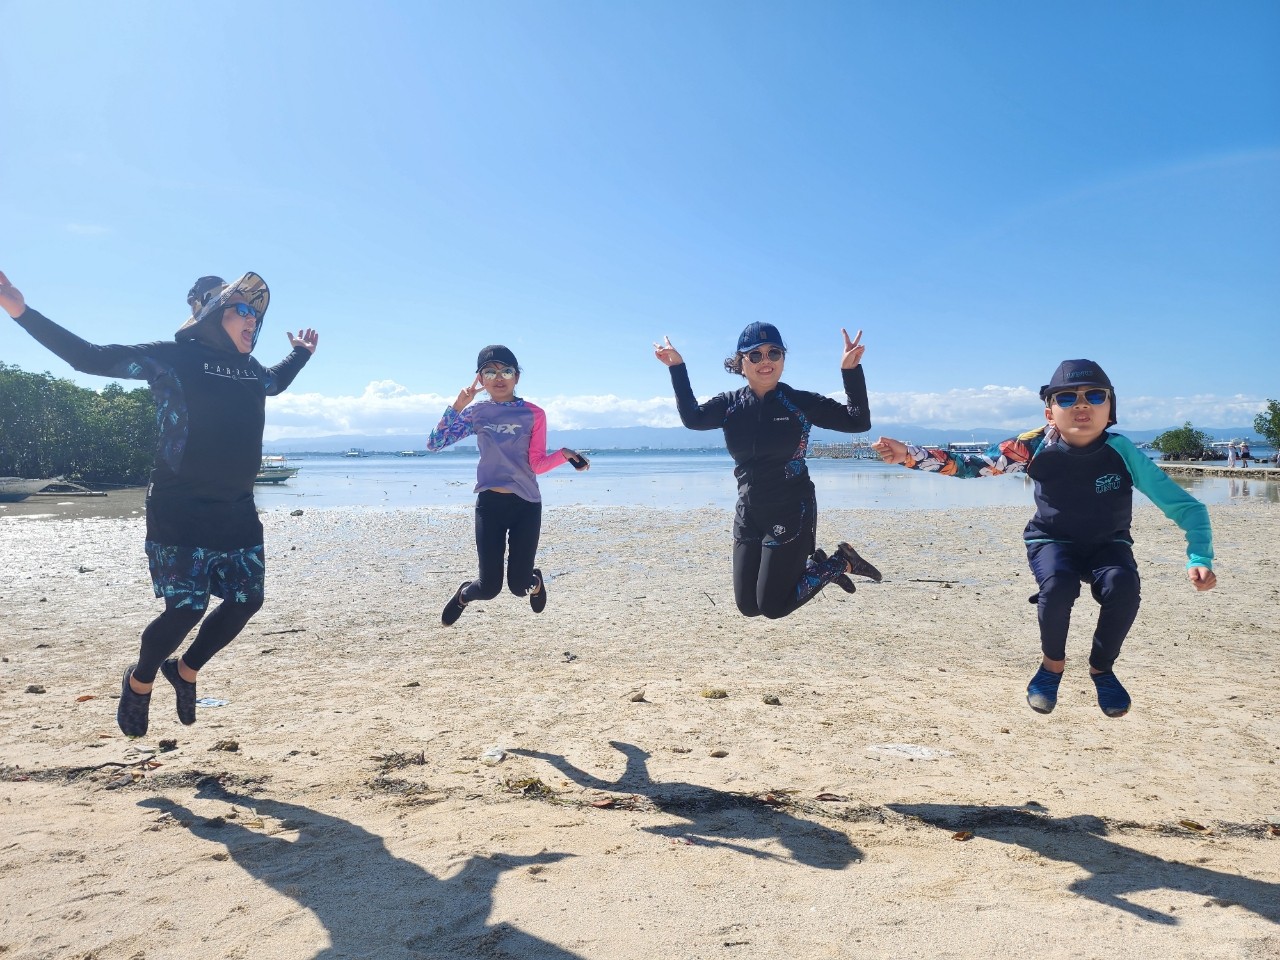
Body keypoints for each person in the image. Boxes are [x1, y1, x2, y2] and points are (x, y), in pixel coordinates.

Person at [0, 270, 318, 737]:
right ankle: (141, 677)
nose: (254, 319)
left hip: (236, 507)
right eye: (244, 309)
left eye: (258, 313)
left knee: (247, 601)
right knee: (186, 609)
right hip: (180, 507)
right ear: (213, 313)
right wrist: (21, 311)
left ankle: (184, 670)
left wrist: (301, 354)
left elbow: (276, 382)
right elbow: (88, 358)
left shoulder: (250, 370)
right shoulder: (171, 358)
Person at [873, 359, 1216, 718]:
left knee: (1123, 585)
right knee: (1057, 587)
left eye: (1094, 396)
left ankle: (1102, 669)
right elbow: (972, 463)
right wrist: (909, 456)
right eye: (1067, 398)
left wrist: (1200, 558)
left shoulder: (1124, 452)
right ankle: (1051, 667)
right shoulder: (1032, 446)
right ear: (1050, 412)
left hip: (1109, 543)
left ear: (1111, 407)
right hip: (1052, 541)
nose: (1081, 405)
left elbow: (1187, 508)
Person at [653, 323, 881, 620]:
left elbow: (857, 422)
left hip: (791, 510)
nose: (766, 361)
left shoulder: (799, 403)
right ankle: (821, 568)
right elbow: (693, 419)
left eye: (774, 353)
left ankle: (838, 564)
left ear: (783, 359)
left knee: (772, 607)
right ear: (741, 362)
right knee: (748, 606)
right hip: (748, 512)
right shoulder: (730, 405)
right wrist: (677, 367)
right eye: (756, 355)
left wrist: (850, 371)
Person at [427, 345, 589, 625]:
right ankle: (464, 595)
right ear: (480, 379)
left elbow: (537, 464)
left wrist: (564, 455)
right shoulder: (477, 413)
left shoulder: (533, 414)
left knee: (519, 587)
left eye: (506, 371)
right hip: (490, 504)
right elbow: (435, 443)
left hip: (526, 504)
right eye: (489, 372)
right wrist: (458, 406)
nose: (498, 377)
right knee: (489, 588)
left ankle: (535, 581)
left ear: (517, 377)